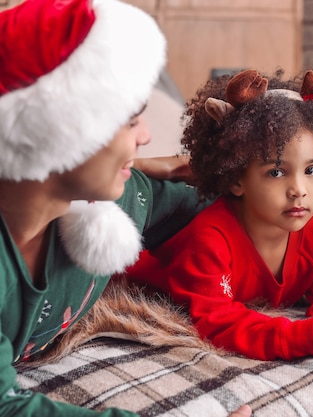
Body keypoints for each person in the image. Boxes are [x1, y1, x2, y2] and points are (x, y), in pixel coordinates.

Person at [0, 0, 251, 416]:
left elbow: (239, 209)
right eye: (132, 120)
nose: (148, 137)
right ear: (61, 130)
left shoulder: (119, 202)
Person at [123, 52, 313, 361]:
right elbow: (217, 323)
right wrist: (303, 336)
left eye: (311, 170)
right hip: (135, 271)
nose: (299, 190)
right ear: (236, 179)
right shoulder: (211, 238)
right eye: (276, 172)